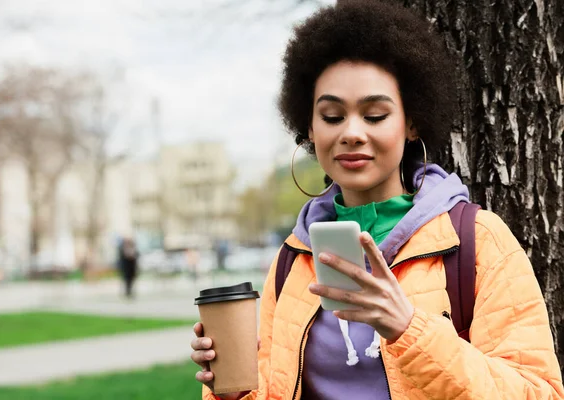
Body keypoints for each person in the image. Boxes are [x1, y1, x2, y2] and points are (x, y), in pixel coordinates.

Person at [190, 1, 564, 399]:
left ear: (411, 121)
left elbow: (538, 392)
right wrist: (230, 390)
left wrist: (409, 329)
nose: (351, 133)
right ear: (310, 129)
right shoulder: (293, 259)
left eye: (374, 115)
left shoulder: (478, 239)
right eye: (332, 116)